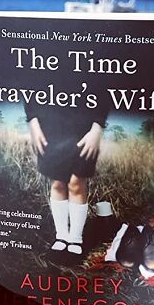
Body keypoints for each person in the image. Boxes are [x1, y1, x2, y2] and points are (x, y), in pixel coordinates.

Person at [25, 95, 109, 256]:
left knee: (77, 182)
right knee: (57, 182)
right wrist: (33, 122)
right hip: (51, 121)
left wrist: (97, 127)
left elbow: (105, 88)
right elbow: (28, 82)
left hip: (85, 121)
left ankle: (76, 238)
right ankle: (62, 236)